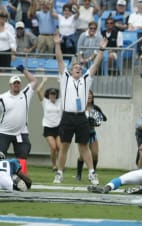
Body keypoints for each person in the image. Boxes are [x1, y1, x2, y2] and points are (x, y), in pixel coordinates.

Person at [52, 33, 107, 185]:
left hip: (81, 117)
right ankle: (59, 173)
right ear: (70, 70)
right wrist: (57, 44)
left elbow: (95, 65)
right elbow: (59, 60)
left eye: (80, 68)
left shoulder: (86, 79)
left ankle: (91, 173)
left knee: (84, 146)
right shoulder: (65, 78)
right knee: (64, 146)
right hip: (67, 116)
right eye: (75, 67)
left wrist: (101, 50)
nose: (78, 69)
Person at [0, 65, 38, 175]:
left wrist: (23, 70)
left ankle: (22, 179)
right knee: (0, 156)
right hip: (4, 132)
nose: (16, 85)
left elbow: (34, 81)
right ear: (10, 85)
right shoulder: (3, 97)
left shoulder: (26, 94)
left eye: (18, 83)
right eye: (14, 83)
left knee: (23, 156)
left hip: (21, 132)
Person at [76, 90, 107, 181]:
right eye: (87, 95)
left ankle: (93, 172)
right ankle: (79, 174)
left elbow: (103, 119)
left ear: (93, 97)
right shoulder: (80, 107)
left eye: (91, 96)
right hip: (82, 134)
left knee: (95, 155)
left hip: (92, 134)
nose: (89, 97)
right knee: (82, 156)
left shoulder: (95, 108)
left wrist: (97, 120)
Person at [36, 77, 62, 172]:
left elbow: (65, 91)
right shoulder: (45, 102)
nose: (53, 96)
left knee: (59, 147)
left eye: (54, 94)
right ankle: (54, 165)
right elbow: (38, 91)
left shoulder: (60, 101)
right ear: (49, 95)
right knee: (53, 147)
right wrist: (43, 81)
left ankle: (60, 166)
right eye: (51, 94)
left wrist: (60, 82)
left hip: (58, 127)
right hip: (48, 127)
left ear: (56, 95)